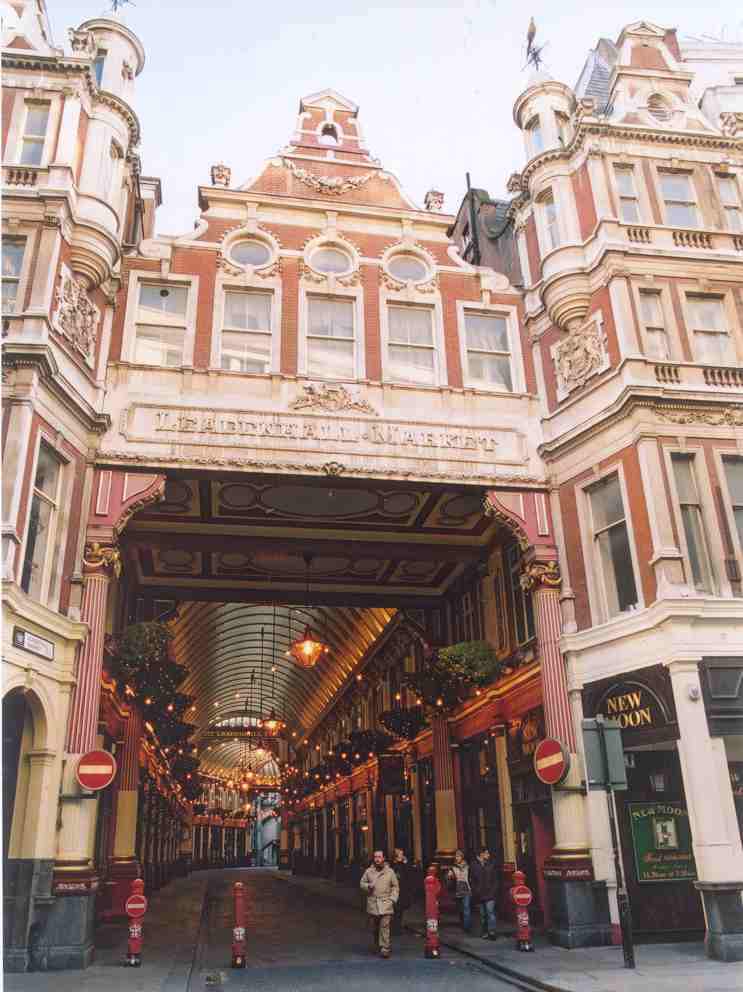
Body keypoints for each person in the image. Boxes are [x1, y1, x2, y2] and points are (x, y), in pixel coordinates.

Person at [360, 850, 399, 958]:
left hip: (386, 903)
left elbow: (395, 886)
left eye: (379, 857)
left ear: (383, 858)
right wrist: (368, 886)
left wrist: (392, 899)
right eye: (375, 857)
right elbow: (362, 883)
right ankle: (377, 944)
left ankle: (385, 947)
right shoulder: (368, 871)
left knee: (385, 926)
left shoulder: (390, 872)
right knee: (374, 927)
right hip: (373, 904)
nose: (377, 859)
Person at [469, 847, 498, 940]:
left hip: (490, 893)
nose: (488, 855)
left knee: (490, 913)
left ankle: (492, 932)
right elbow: (471, 879)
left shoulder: (491, 864)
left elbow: (496, 879)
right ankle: (485, 932)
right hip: (479, 893)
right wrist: (475, 889)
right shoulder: (473, 865)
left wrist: (493, 889)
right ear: (481, 854)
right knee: (482, 915)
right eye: (486, 853)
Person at [447, 849, 472, 932]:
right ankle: (463, 922)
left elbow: (471, 877)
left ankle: (467, 927)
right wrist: (449, 876)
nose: (457, 857)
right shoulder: (453, 867)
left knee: (466, 908)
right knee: (461, 908)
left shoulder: (468, 866)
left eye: (459, 856)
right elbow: (448, 879)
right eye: (456, 856)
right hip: (458, 889)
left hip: (466, 888)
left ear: (462, 857)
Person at [390, 847, 412, 935]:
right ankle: (396, 928)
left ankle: (397, 927)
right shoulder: (393, 865)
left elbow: (409, 874)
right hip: (395, 890)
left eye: (402, 854)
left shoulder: (404, 864)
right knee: (397, 910)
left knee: (400, 909)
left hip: (403, 890)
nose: (402, 856)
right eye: (400, 854)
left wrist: (406, 863)